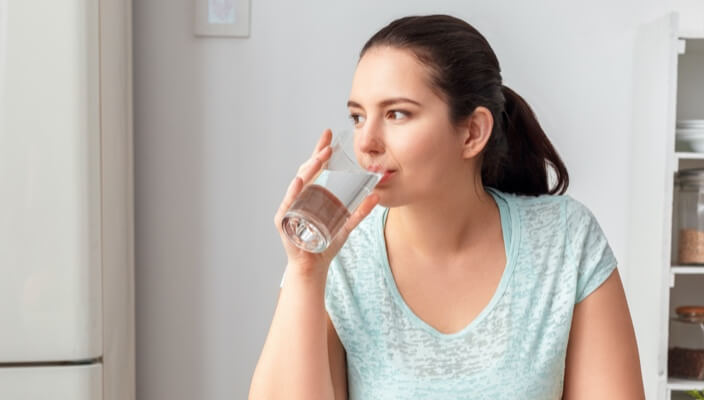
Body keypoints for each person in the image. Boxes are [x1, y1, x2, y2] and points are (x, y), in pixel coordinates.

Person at [249, 14, 644, 400]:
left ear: (473, 132)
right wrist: (305, 271)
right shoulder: (337, 255)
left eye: (397, 114)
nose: (365, 142)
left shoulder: (565, 241)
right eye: (357, 116)